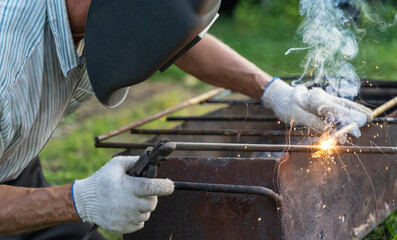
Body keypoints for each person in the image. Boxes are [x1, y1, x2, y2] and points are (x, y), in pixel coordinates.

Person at [0, 0, 372, 239]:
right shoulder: (8, 63)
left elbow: (171, 39)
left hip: (15, 160)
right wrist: (78, 201)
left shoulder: (106, 15)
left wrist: (274, 91)